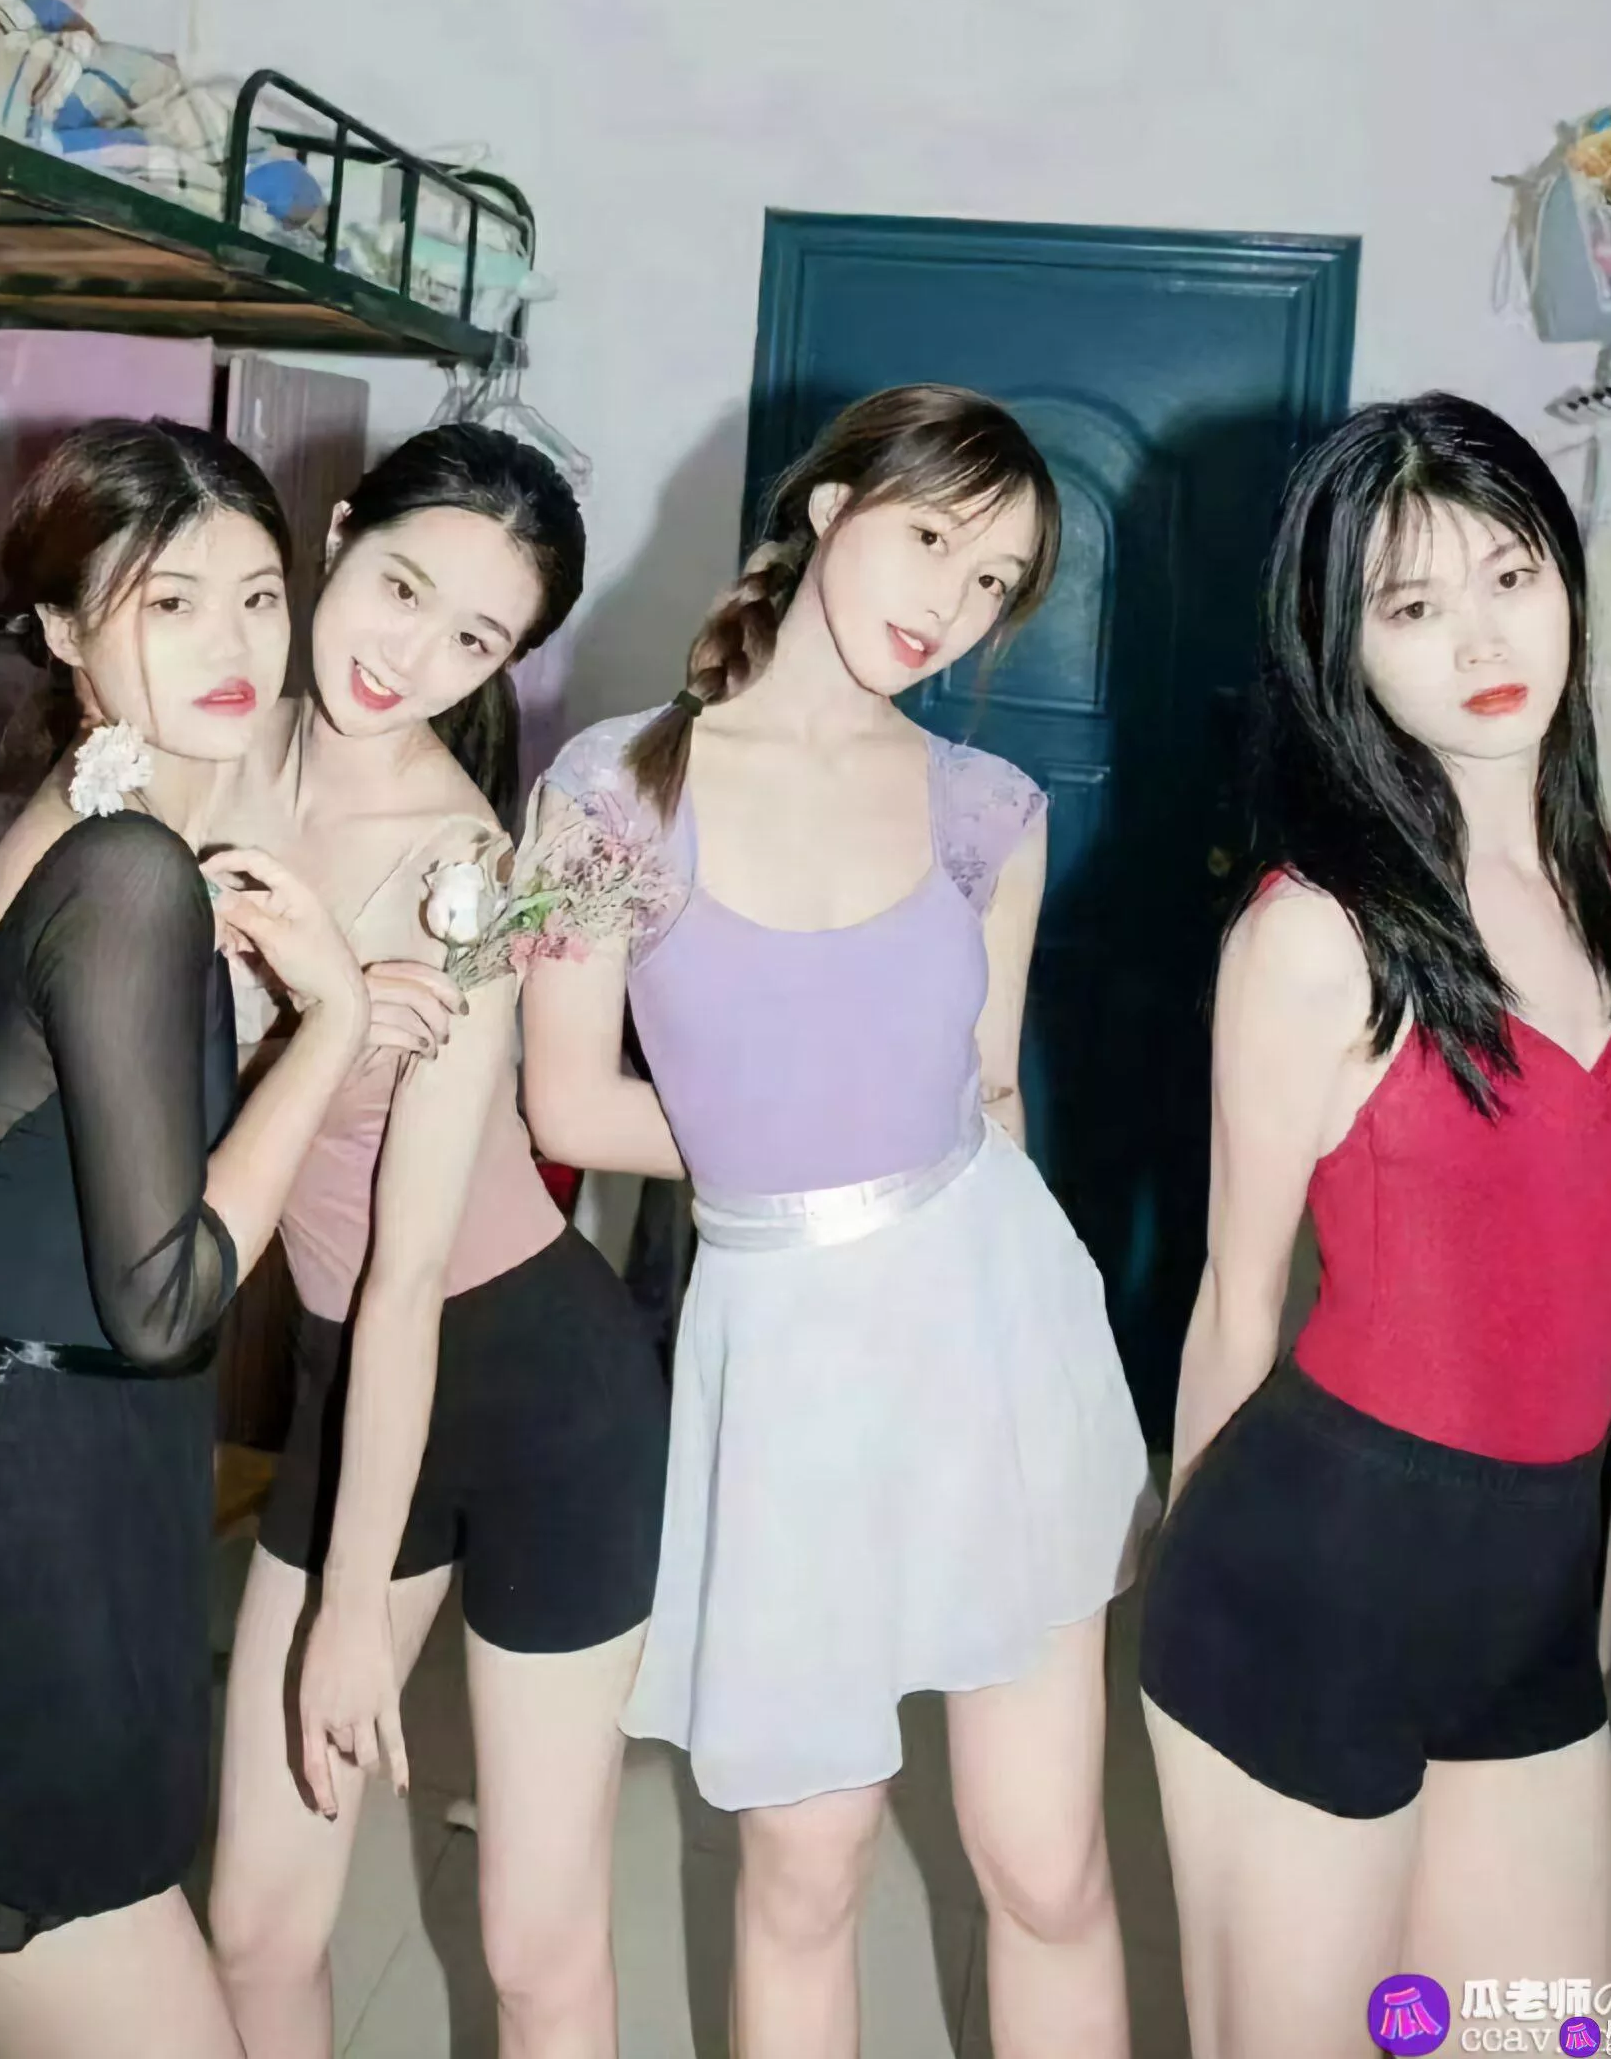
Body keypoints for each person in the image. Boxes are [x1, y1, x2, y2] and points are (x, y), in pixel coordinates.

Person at [522, 383, 1156, 2059]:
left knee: (1046, 1866)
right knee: (806, 1874)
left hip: (990, 1331)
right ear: (826, 508)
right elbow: (567, 1106)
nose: (953, 602)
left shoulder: (987, 807)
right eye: (933, 537)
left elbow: (991, 1094)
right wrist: (786, 1151)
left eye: (995, 582)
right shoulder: (607, 790)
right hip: (786, 1358)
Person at [1139, 394, 1611, 2059]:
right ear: (1344, 649)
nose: (1482, 641)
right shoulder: (1317, 938)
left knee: (1547, 2036)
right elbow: (1235, 1299)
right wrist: (1180, 1588)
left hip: (1530, 1602)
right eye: (1414, 605)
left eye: (1511, 577)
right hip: (1312, 1586)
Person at [0, 420, 373, 2059]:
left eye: (258, 595)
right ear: (64, 629)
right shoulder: (131, 866)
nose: (230, 642)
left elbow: (20, 1177)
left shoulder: (76, 822)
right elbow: (163, 1298)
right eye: (169, 601)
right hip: (11, 1561)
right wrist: (334, 1030)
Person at [206, 423, 668, 2059]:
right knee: (256, 1925)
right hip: (351, 1380)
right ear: (337, 534)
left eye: (474, 638)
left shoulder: (464, 875)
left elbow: (407, 1273)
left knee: (536, 1952)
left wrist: (351, 1604)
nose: (410, 658)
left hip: (536, 1388)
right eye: (401, 588)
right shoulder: (202, 761)